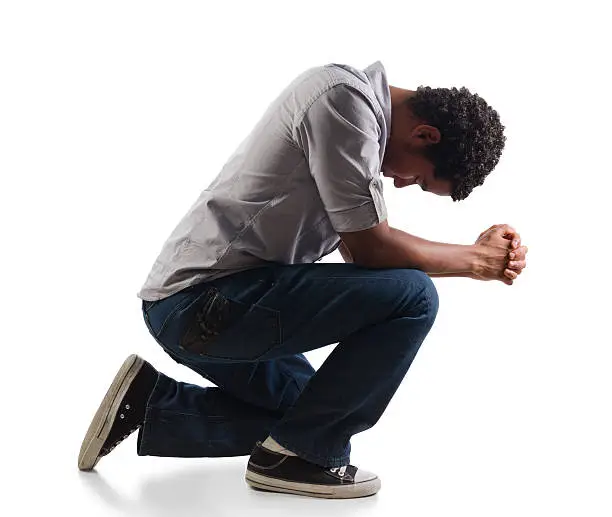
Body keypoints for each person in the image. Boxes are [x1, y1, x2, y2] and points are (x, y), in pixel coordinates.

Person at [77, 60, 528, 499]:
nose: (402, 183)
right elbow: (373, 248)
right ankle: (298, 460)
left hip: (203, 310)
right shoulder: (344, 102)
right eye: (418, 179)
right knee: (414, 296)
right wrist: (474, 260)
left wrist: (477, 254)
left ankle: (148, 404)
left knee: (310, 413)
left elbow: (363, 254)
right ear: (425, 135)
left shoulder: (358, 127)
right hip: (201, 304)